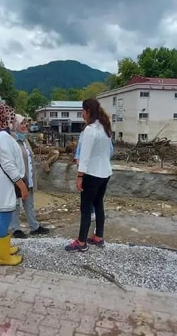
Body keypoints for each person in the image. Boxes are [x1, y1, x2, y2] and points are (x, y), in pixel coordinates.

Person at [66, 99, 113, 252]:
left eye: (83, 110)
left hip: (91, 174)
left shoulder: (90, 130)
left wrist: (80, 176)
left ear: (88, 111)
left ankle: (81, 243)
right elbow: (110, 152)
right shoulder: (105, 128)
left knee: (86, 209)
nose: (82, 113)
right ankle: (98, 237)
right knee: (98, 204)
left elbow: (84, 157)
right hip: (105, 173)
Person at [0, 103, 28, 266]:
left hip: (2, 184)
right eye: (10, 116)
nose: (12, 119)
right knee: (4, 216)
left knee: (0, 216)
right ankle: (3, 257)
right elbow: (8, 165)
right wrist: (22, 185)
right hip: (6, 184)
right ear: (3, 117)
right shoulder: (2, 138)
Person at [10, 114, 50, 238]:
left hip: (29, 178)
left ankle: (34, 226)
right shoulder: (12, 141)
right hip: (17, 179)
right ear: (15, 125)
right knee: (16, 204)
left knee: (29, 203)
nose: (24, 126)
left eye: (25, 123)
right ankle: (16, 229)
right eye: (21, 123)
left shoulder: (24, 139)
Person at [74, 124, 115, 223]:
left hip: (91, 169)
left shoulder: (88, 131)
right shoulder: (105, 131)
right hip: (101, 170)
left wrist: (80, 171)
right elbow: (110, 151)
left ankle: (82, 237)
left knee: (88, 200)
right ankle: (98, 235)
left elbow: (82, 151)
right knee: (97, 200)